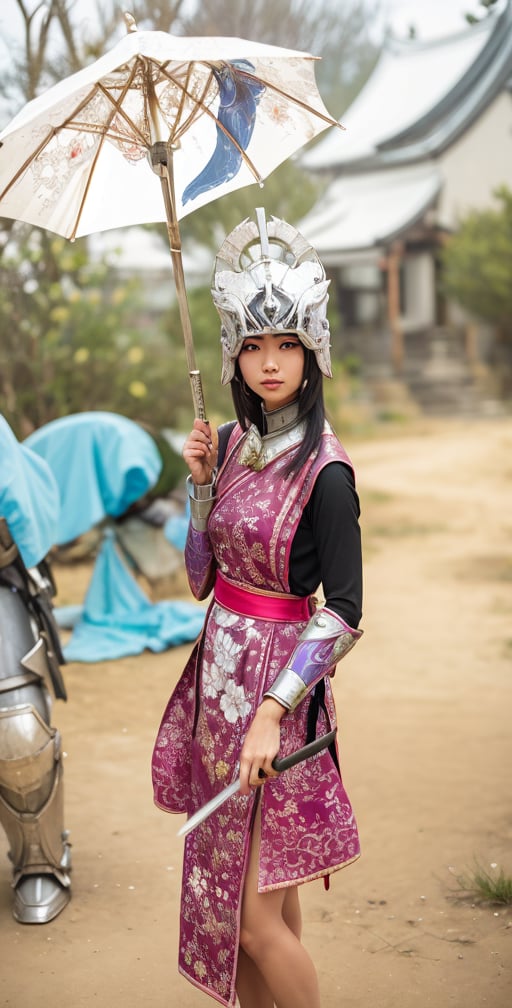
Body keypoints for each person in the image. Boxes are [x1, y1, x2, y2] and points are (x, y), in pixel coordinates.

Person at [152, 208, 363, 1008]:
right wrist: (201, 483)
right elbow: (200, 578)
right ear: (234, 354)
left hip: (278, 699)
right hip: (219, 687)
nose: (270, 362)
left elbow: (342, 612)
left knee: (252, 921)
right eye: (253, 345)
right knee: (253, 894)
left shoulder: (329, 473)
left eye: (286, 344)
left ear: (312, 350)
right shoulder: (236, 443)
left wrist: (275, 712)